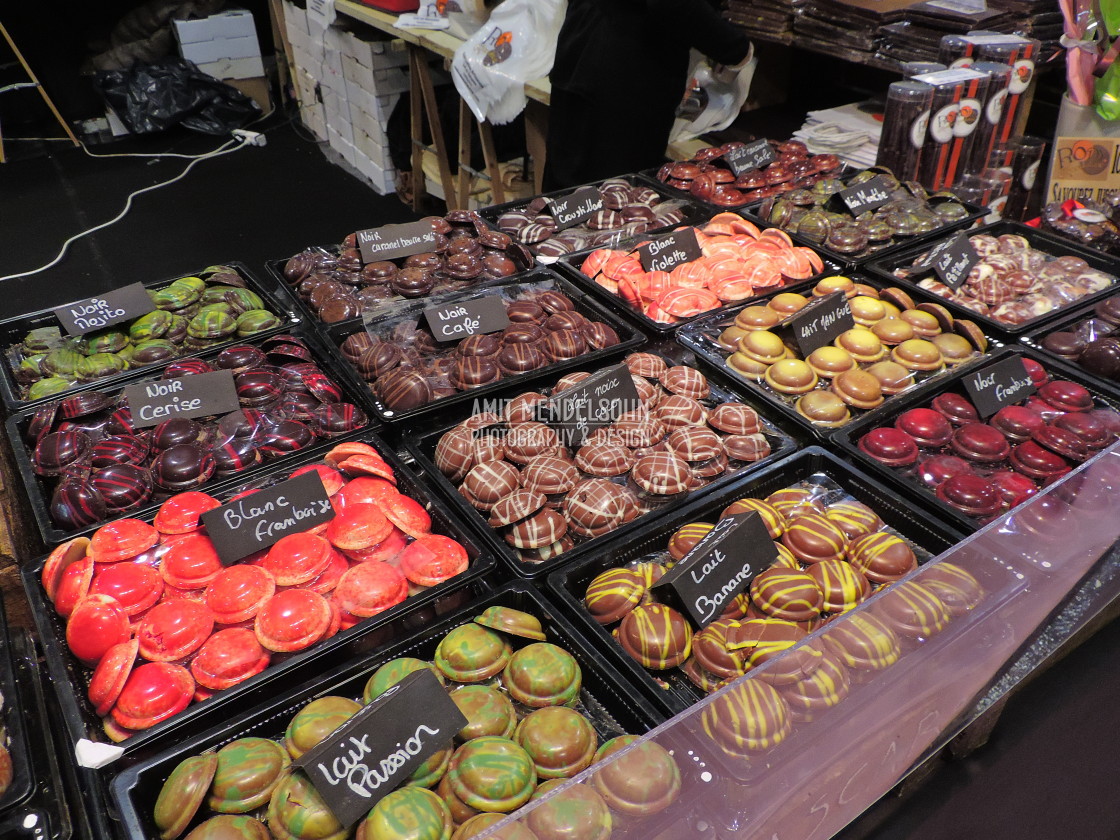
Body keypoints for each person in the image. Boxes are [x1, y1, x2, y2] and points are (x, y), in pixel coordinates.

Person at [543, 0, 754, 190]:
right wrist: (736, 49)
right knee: (612, 199)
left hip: (585, 45)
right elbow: (672, 4)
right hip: (623, 74)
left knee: (569, 192)